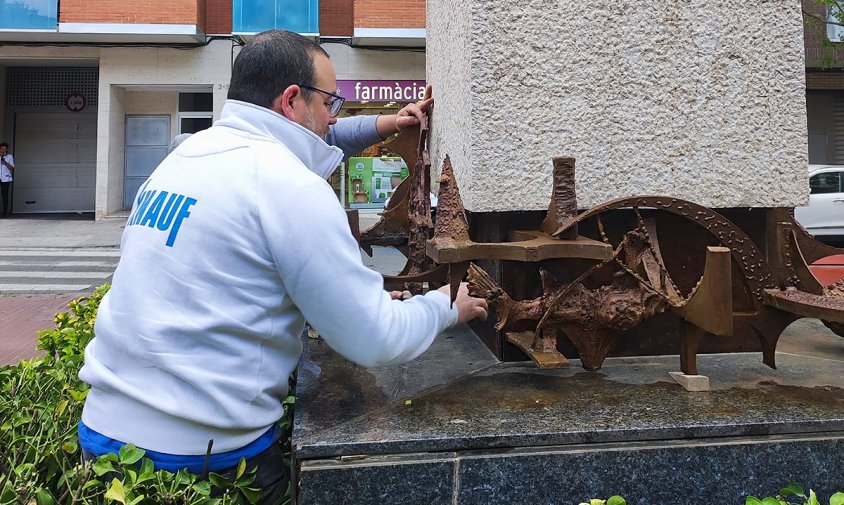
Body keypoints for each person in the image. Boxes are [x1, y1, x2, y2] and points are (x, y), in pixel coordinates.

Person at [77, 29, 487, 503]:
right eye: (330, 102)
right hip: (204, 460)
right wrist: (445, 306)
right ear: (292, 100)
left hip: (104, 444)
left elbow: (223, 280)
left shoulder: (182, 158)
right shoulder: (287, 184)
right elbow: (375, 339)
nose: (332, 118)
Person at [0, 143, 14, 218]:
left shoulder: (9, 157)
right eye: (2, 149)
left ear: (7, 149)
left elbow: (11, 167)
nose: (3, 150)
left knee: (4, 195)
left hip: (6, 179)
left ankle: (5, 212)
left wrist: (5, 163)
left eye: (5, 149)